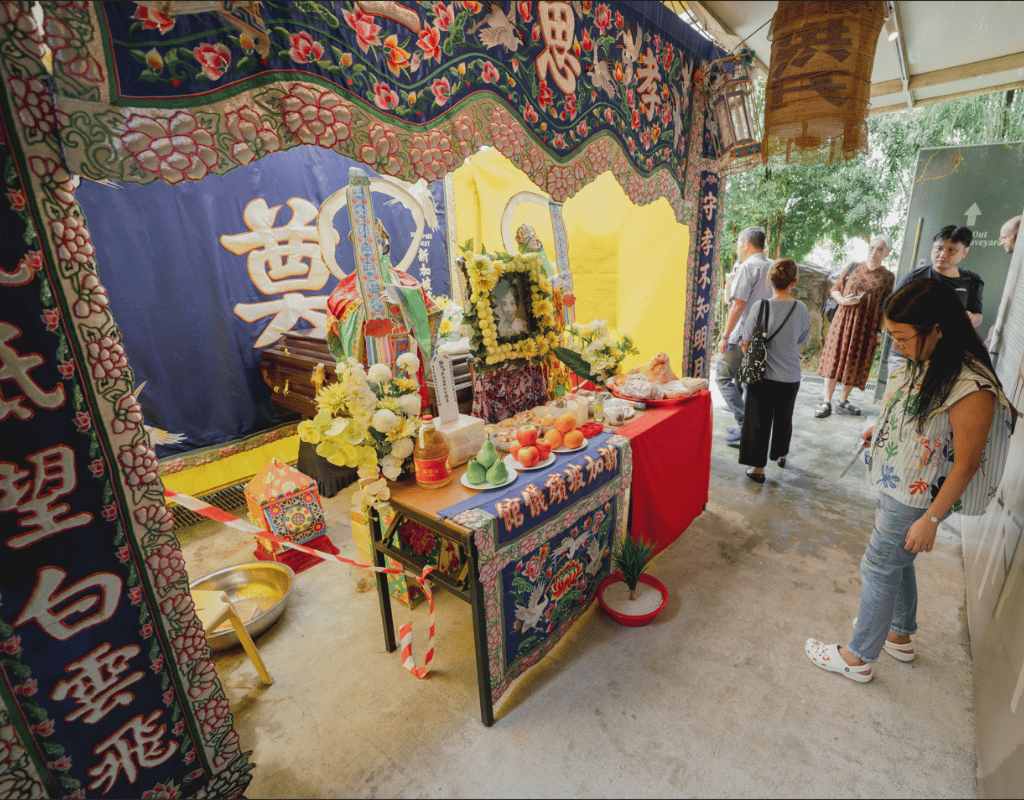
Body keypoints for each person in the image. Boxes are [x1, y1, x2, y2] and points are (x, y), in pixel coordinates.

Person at [806, 280, 1015, 683]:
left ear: (937, 327)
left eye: (902, 337)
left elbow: (967, 463)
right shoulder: (929, 359)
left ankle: (857, 656)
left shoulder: (972, 385)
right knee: (897, 561)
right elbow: (917, 416)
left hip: (914, 495)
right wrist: (882, 429)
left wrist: (932, 520)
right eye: (891, 336)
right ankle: (898, 634)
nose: (896, 345)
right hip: (895, 479)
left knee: (880, 566)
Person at [738, 258, 810, 482]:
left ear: (769, 281)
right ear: (794, 282)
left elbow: (746, 340)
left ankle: (758, 469)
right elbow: (801, 340)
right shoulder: (801, 308)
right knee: (784, 418)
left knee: (758, 420)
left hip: (763, 377)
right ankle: (781, 453)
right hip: (791, 377)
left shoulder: (761, 306)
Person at [815, 235, 896, 418]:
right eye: (872, 247)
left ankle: (842, 401)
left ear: (887, 253)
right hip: (843, 321)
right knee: (835, 356)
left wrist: (879, 332)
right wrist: (843, 300)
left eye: (880, 249)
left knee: (856, 360)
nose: (874, 252)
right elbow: (835, 289)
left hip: (867, 326)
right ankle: (826, 400)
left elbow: (885, 306)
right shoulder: (853, 267)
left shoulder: (888, 277)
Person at [716, 226, 773, 444]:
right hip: (764, 335)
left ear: (746, 244)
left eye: (739, 244)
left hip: (743, 335)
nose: (738, 249)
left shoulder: (748, 267)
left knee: (722, 376)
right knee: (750, 383)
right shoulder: (771, 267)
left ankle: (744, 424)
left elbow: (738, 304)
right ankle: (750, 429)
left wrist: (724, 335)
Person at [897, 225, 983, 327]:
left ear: (964, 252)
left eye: (951, 250)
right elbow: (892, 310)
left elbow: (978, 315)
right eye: (939, 248)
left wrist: (972, 319)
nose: (942, 255)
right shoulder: (914, 277)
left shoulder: (971, 280)